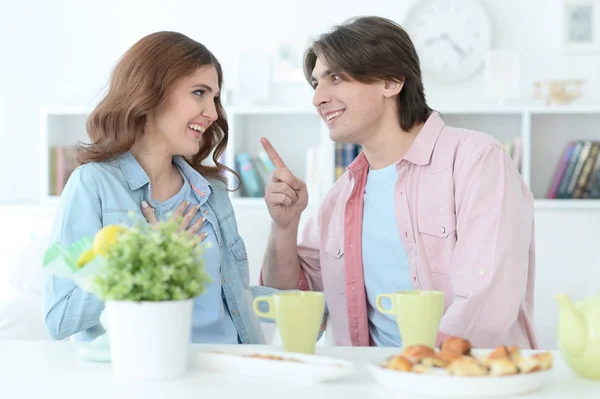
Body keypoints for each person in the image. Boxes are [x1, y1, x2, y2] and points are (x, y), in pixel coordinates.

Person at [260, 16, 538, 349]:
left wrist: (414, 368)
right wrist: (284, 227)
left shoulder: (476, 159)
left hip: (464, 377)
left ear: (392, 81)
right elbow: (293, 306)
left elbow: (487, 306)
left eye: (334, 77)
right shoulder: (339, 198)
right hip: (375, 381)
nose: (318, 98)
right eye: (316, 83)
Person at [43, 31, 266, 345]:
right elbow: (60, 318)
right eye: (199, 92)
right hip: (141, 373)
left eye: (215, 98)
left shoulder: (211, 192)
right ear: (151, 92)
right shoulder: (93, 185)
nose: (213, 113)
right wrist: (151, 257)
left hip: (226, 371)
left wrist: (324, 306)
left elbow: (234, 297)